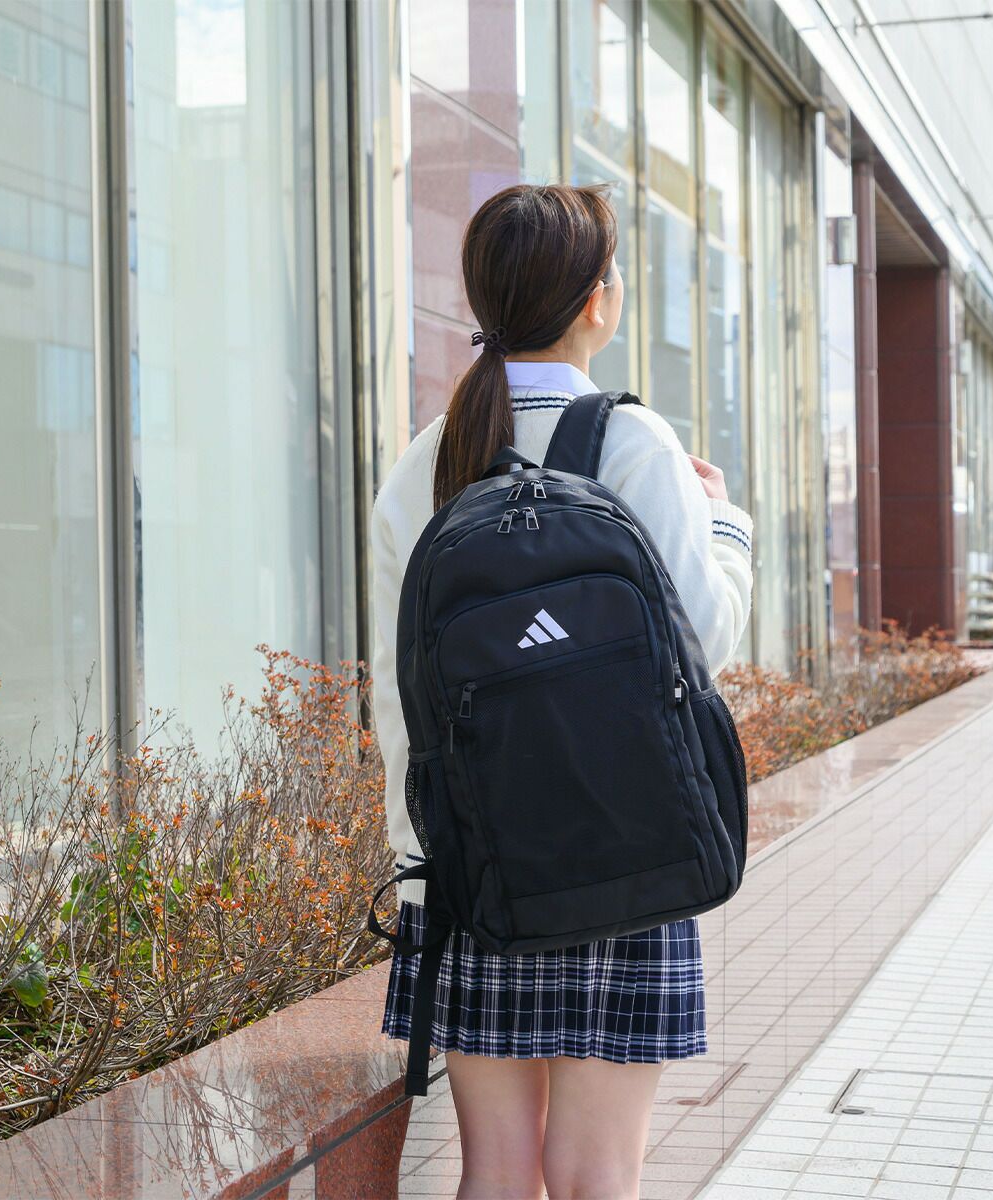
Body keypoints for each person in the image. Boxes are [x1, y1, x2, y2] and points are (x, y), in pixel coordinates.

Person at [371, 183, 753, 1199]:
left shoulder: (424, 463)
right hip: (626, 858)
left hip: (473, 868)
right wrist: (726, 528)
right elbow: (703, 642)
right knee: (595, 1176)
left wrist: (421, 867)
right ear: (596, 301)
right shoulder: (637, 444)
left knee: (493, 1173)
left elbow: (397, 696)